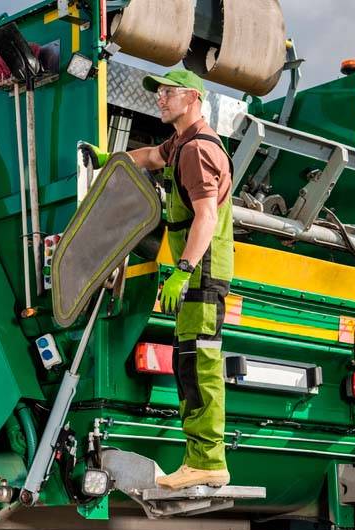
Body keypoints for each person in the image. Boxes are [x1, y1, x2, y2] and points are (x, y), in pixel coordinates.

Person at [80, 69, 234, 490]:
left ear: (193, 98)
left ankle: (207, 460)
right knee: (189, 364)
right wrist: (110, 159)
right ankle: (201, 458)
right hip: (198, 271)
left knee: (199, 366)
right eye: (159, 92)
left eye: (169, 93)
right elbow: (149, 157)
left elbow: (206, 216)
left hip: (202, 272)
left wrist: (182, 271)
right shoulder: (181, 143)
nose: (160, 99)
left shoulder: (199, 151)